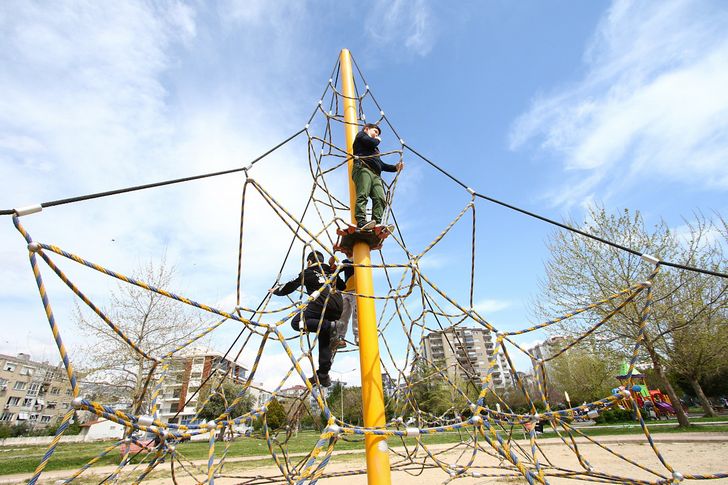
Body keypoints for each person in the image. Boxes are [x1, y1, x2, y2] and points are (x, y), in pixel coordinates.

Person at [270, 251, 344, 387]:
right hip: (338, 307)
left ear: (309, 262)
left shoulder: (308, 272)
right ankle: (323, 374)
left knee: (297, 322)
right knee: (323, 333)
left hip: (322, 303)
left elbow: (291, 286)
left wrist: (275, 291)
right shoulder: (330, 271)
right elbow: (343, 286)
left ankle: (331, 326)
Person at [352, 123, 404, 230]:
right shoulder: (361, 136)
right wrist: (378, 139)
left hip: (375, 174)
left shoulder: (375, 149)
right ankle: (361, 221)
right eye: (375, 131)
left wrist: (395, 167)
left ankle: (377, 224)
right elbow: (371, 142)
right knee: (363, 194)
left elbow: (381, 164)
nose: (376, 135)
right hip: (363, 167)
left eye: (377, 133)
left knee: (380, 198)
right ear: (366, 129)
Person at [332, 258, 358, 348]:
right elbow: (336, 270)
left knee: (356, 314)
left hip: (358, 290)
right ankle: (340, 337)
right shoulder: (347, 262)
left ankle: (358, 336)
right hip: (346, 291)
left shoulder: (361, 260)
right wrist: (333, 264)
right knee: (343, 315)